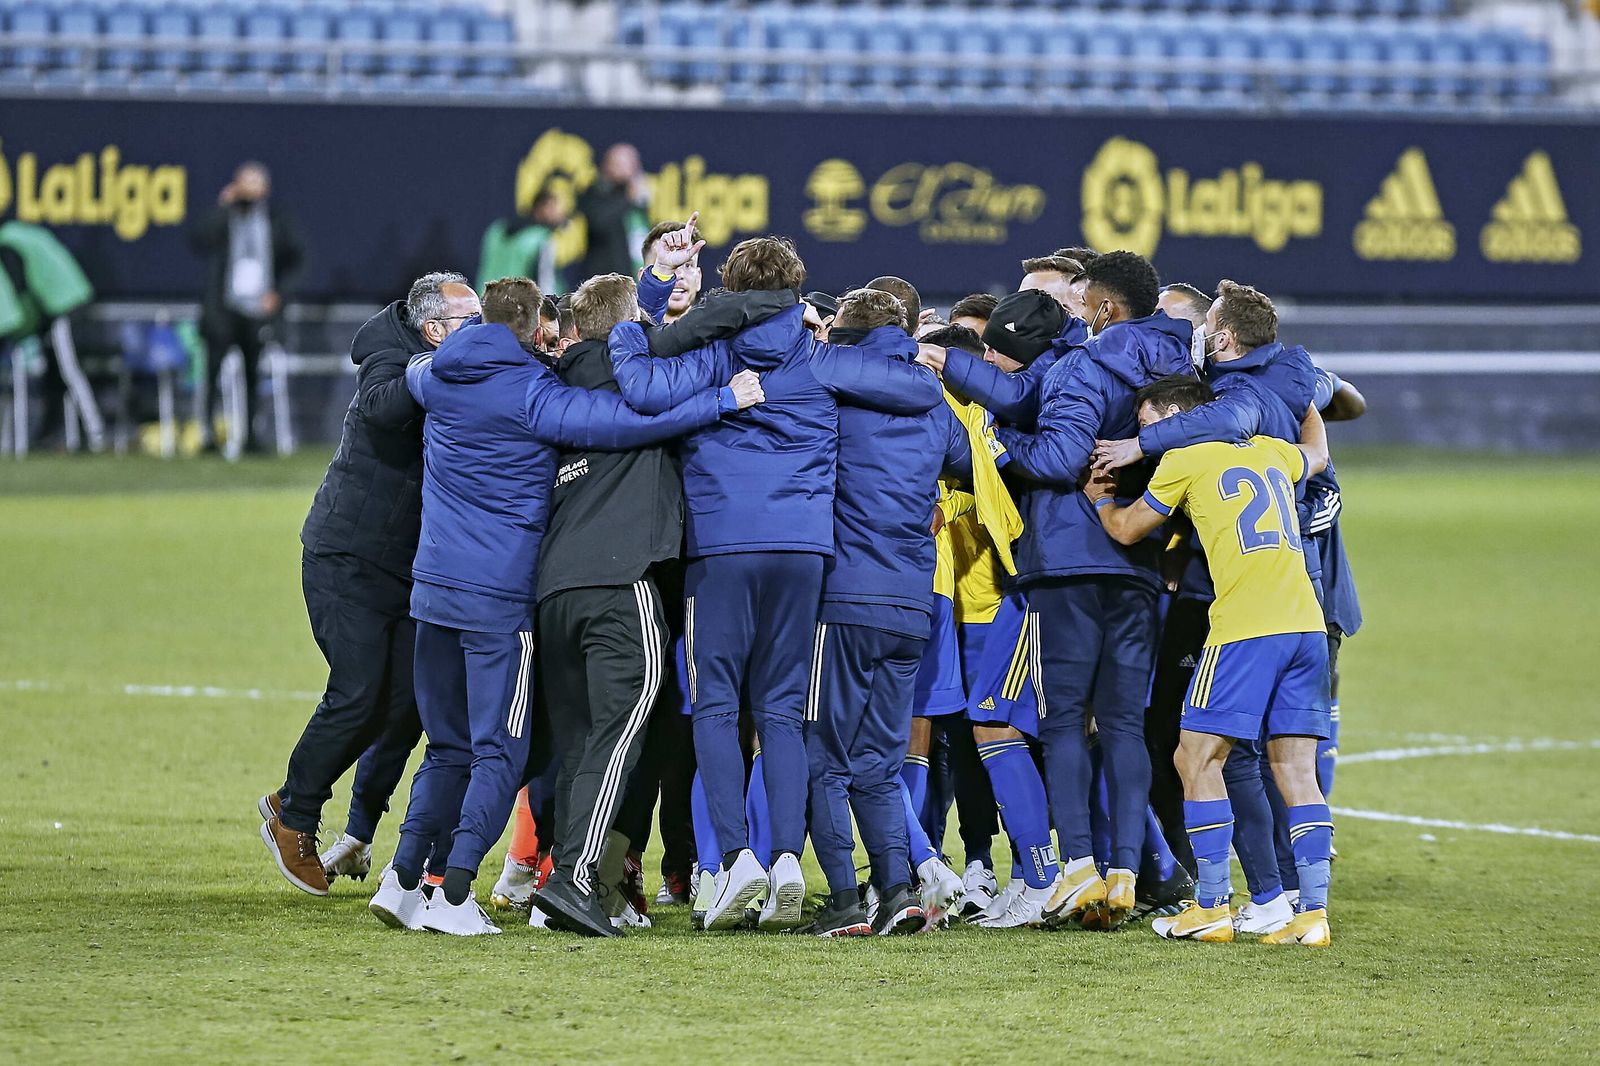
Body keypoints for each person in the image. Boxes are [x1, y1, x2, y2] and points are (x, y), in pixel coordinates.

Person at [365, 276, 745, 936]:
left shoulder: (435, 374)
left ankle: (401, 883)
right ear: (535, 328)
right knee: (500, 753)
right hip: (498, 599)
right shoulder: (534, 393)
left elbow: (411, 372)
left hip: (432, 592)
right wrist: (720, 399)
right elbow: (628, 423)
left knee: (447, 748)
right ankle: (454, 895)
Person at [607, 237, 943, 931]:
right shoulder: (818, 358)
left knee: (716, 705)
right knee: (783, 710)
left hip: (723, 546)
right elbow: (920, 389)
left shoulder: (714, 355)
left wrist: (632, 322)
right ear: (795, 290)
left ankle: (736, 859)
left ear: (730, 289)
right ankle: (788, 857)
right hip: (804, 549)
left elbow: (640, 387)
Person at [533, 268, 765, 937]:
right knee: (620, 737)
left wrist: (653, 289)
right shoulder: (643, 382)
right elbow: (674, 377)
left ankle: (564, 876)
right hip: (622, 577)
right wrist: (726, 392)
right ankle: (578, 880)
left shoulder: (557, 384)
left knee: (582, 744)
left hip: (555, 589)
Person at [1091, 375, 1335, 947]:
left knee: (1194, 757)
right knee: (1297, 770)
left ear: (1179, 416)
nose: (1147, 439)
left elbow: (1126, 530)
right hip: (1306, 625)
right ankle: (1312, 914)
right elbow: (1318, 453)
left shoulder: (1185, 460)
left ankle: (1210, 906)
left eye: (1149, 424)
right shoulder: (1271, 451)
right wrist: (1307, 401)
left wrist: (1099, 496)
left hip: (1245, 630)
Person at [259, 271, 478, 897]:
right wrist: (438, 370)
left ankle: (341, 825)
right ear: (433, 331)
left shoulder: (444, 360)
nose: (482, 331)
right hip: (346, 557)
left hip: (404, 566)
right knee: (357, 691)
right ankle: (294, 813)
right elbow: (383, 405)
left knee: (406, 700)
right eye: (470, 322)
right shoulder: (390, 359)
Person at [991, 250, 1191, 929]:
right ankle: (1126, 873)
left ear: (1106, 307)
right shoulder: (1180, 368)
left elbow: (1060, 458)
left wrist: (1000, 444)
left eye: (1081, 304)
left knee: (1063, 719)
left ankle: (1078, 869)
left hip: (1068, 561)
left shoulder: (1082, 365)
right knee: (1125, 724)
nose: (1075, 316)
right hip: (1136, 558)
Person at [802, 289, 970, 937]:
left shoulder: (832, 390)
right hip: (910, 601)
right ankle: (896, 892)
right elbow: (964, 461)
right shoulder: (933, 398)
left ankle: (846, 900)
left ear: (847, 336)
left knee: (824, 756)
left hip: (845, 596)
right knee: (878, 761)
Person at [188, 161, 304, 454]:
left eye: (255, 184)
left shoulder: (276, 220)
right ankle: (208, 434)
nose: (249, 192)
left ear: (265, 189)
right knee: (212, 371)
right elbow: (198, 240)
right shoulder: (226, 217)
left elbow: (297, 259)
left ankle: (252, 434)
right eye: (245, 184)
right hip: (224, 308)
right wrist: (222, 207)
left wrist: (279, 294)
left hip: (258, 310)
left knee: (253, 374)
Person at [478, 187, 569, 296]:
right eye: (553, 208)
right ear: (540, 208)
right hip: (521, 303)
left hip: (488, 299)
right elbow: (546, 282)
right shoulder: (542, 239)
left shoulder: (497, 230)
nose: (560, 213)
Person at [579, 143, 652, 280]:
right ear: (608, 165)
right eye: (624, 164)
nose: (632, 169)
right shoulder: (595, 192)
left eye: (633, 164)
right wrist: (628, 199)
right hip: (604, 276)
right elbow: (599, 223)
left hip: (632, 273)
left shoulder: (637, 199)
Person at [640, 219, 703, 323]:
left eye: (687, 266)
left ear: (698, 278)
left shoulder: (719, 330)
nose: (679, 275)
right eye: (663, 266)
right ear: (642, 277)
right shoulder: (626, 330)